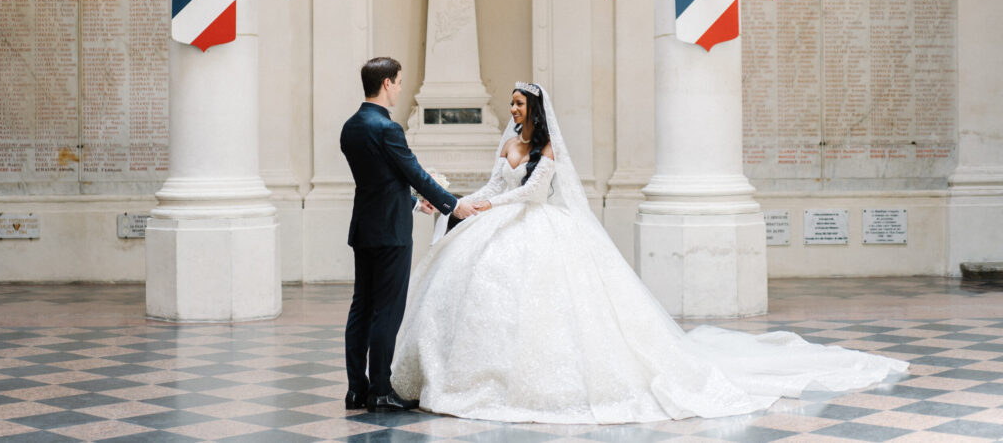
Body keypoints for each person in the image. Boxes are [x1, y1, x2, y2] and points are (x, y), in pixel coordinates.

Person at [391, 82, 908, 424]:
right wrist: (464, 203)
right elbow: (494, 181)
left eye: (520, 105)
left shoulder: (546, 150)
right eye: (512, 105)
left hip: (534, 223)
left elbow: (530, 194)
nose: (513, 111)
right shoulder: (507, 142)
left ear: (536, 110)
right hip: (497, 219)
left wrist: (485, 208)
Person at [340, 57, 478, 413]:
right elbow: (412, 172)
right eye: (399, 82)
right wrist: (452, 205)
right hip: (390, 233)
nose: (400, 88)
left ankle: (357, 389)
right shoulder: (387, 129)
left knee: (362, 307)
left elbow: (382, 180)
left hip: (365, 227)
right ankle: (382, 390)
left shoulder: (351, 127)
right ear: (386, 83)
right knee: (386, 310)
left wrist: (417, 205)